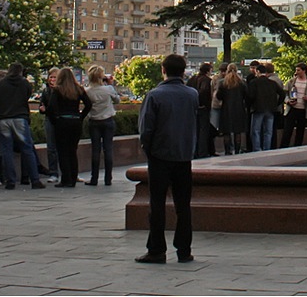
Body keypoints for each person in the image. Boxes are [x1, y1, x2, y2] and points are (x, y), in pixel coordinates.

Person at [136, 53, 198, 264]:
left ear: (163, 70)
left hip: (160, 155)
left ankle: (156, 250)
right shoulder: (192, 94)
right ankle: (184, 250)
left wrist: (148, 148)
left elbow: (146, 128)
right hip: (183, 155)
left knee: (157, 204)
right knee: (183, 205)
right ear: (183, 71)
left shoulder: (154, 95)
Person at [0, 63, 45, 191]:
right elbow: (27, 97)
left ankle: (10, 182)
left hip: (3, 120)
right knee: (27, 149)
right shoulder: (25, 84)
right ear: (20, 72)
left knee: (7, 150)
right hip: (20, 118)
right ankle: (35, 180)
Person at [48, 67, 91, 187]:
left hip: (62, 122)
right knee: (72, 151)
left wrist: (55, 120)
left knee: (62, 151)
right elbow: (88, 104)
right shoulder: (78, 89)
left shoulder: (57, 90)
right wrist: (80, 117)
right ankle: (73, 178)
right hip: (75, 122)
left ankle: (66, 179)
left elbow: (51, 108)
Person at [85, 64, 121, 185]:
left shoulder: (87, 91)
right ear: (102, 77)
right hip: (108, 121)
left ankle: (94, 178)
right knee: (108, 149)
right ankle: (108, 179)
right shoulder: (108, 89)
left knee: (95, 150)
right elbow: (117, 100)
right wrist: (110, 84)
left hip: (94, 121)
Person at [245, 63, 285, 152]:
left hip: (258, 109)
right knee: (268, 131)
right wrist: (277, 104)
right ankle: (267, 149)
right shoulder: (272, 83)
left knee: (256, 131)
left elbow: (250, 96)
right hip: (271, 109)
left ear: (258, 72)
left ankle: (257, 149)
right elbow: (282, 93)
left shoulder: (254, 82)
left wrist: (250, 106)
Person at [282, 62, 307, 147]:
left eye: (298, 70)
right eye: (296, 70)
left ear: (303, 71)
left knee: (300, 130)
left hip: (303, 109)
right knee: (287, 130)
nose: (297, 72)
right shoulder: (291, 81)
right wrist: (288, 101)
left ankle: (297, 146)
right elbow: (285, 94)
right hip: (292, 108)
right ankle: (284, 146)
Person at [215, 63, 247, 155]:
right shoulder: (241, 82)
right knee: (238, 132)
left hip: (226, 109)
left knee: (226, 132)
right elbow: (246, 95)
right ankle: (237, 151)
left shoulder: (222, 82)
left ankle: (227, 151)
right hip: (239, 109)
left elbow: (219, 96)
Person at [37, 67, 61, 182]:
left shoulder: (62, 90)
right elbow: (42, 106)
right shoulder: (46, 91)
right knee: (51, 147)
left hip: (60, 121)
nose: (52, 79)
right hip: (49, 121)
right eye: (51, 77)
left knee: (62, 147)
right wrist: (42, 109)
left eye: (55, 77)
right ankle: (53, 172)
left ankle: (66, 172)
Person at [186, 62, 213, 159]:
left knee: (195, 130)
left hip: (193, 108)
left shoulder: (192, 79)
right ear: (208, 70)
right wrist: (205, 104)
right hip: (203, 108)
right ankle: (202, 152)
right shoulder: (207, 80)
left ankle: (194, 152)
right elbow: (204, 92)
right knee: (203, 131)